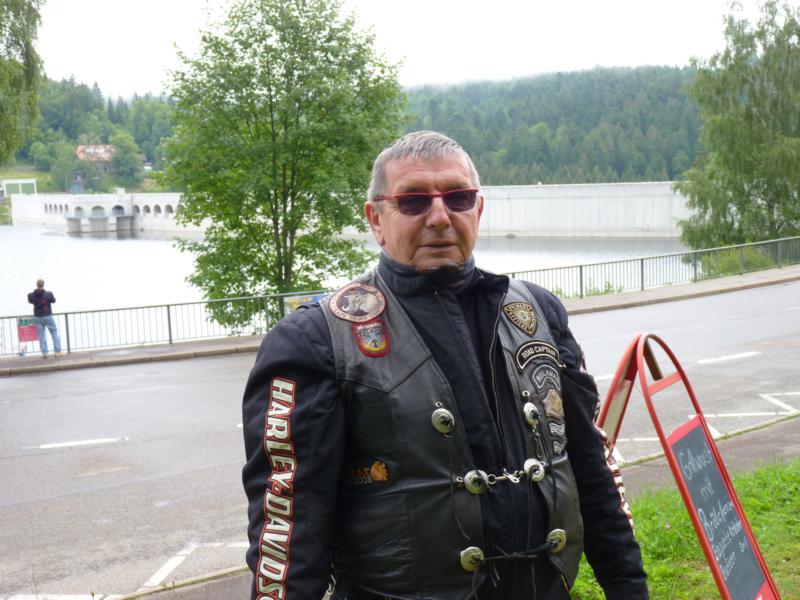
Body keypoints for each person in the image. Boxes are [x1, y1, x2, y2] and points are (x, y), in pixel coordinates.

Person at [242, 131, 648, 599]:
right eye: (413, 201)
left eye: (458, 197)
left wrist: (629, 588)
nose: (439, 217)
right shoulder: (314, 340)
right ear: (376, 219)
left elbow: (590, 470)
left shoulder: (539, 313)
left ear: (479, 208)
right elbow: (288, 530)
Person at [27, 279, 63, 358]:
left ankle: (44, 353)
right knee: (54, 332)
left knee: (41, 335)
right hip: (47, 316)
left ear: (37, 285)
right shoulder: (48, 294)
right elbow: (53, 301)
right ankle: (57, 351)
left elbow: (30, 301)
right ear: (43, 285)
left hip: (37, 317)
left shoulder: (31, 295)